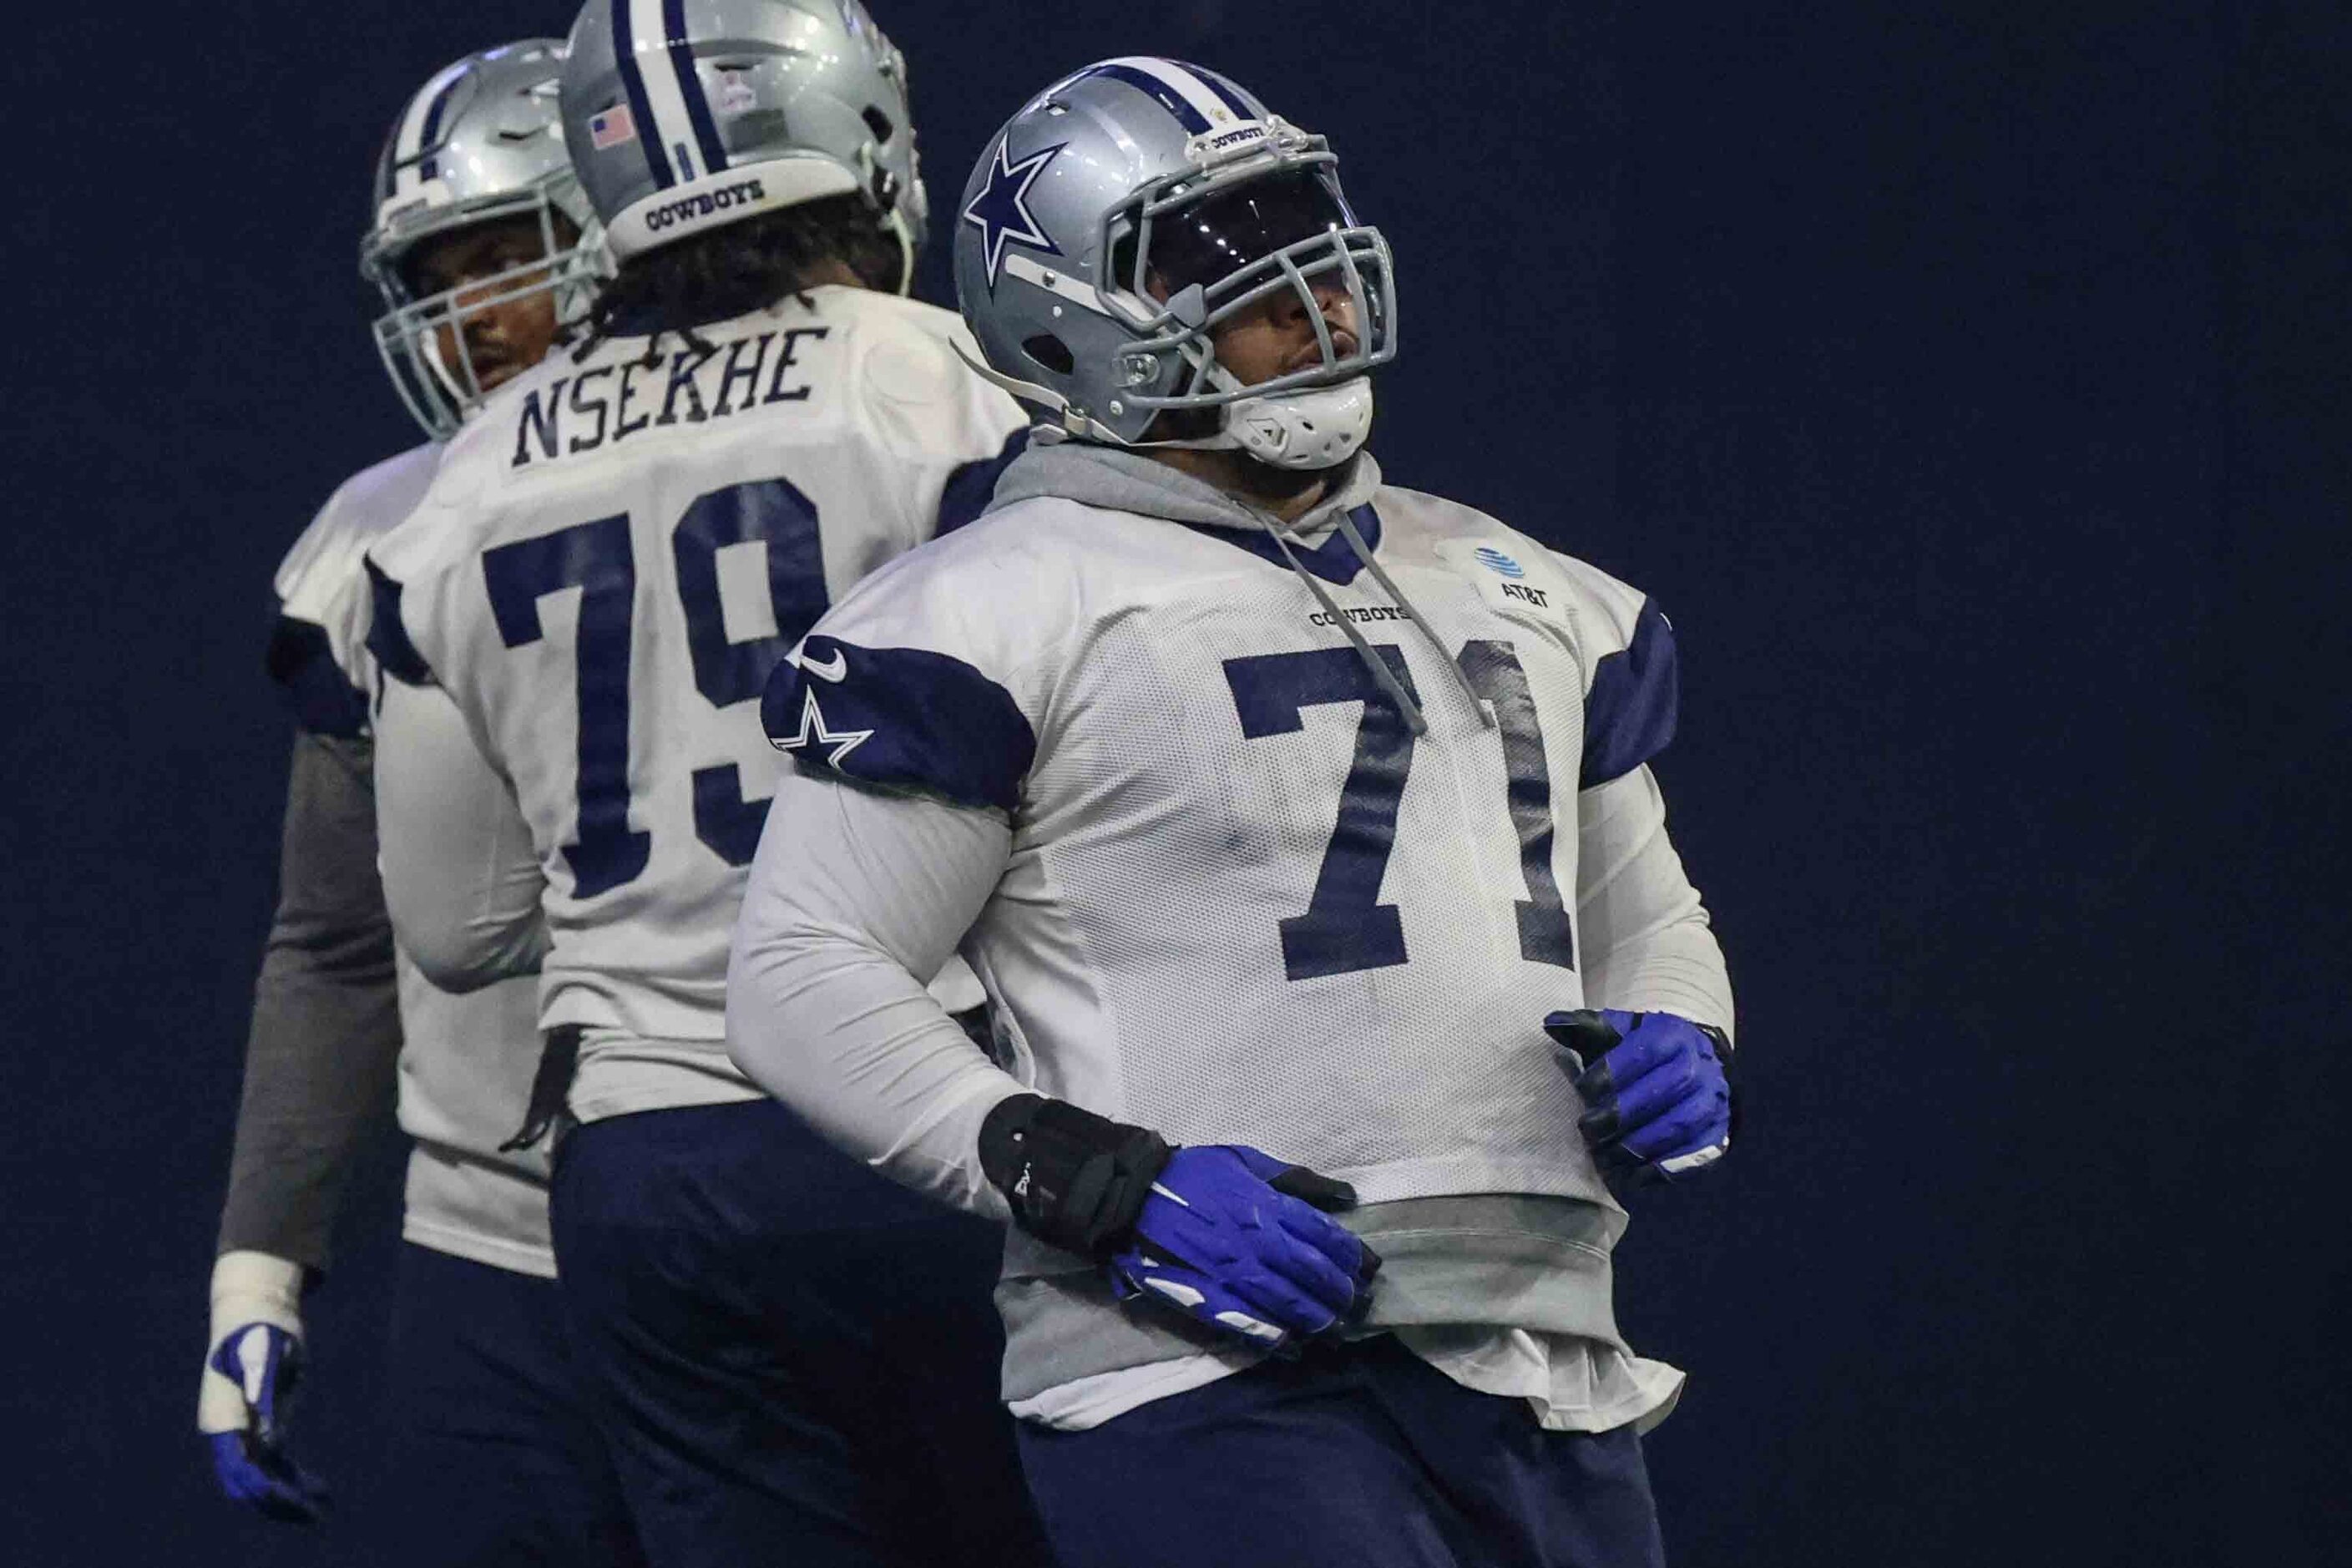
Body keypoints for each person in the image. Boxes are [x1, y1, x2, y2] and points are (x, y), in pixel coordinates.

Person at [728, 57, 1739, 1567]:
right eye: (1219, 258)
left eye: (1306, 240)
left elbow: (1647, 909)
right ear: (1063, 313)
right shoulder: (995, 604)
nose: (1311, 296)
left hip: (1545, 1352)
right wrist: (1097, 1182)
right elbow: (798, 979)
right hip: (1199, 1361)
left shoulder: (1525, 581)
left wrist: (1683, 1031)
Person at [363, 3, 1042, 1563]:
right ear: (862, 130)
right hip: (943, 1105)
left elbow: (454, 929)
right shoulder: (949, 390)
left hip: (650, 1166)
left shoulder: (467, 480)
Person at [199, 39, 645, 1565]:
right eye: (441, 276)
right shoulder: (371, 538)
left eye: (510, 257)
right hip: (493, 1251)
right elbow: (333, 943)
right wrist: (257, 1272)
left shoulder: (809, 465)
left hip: (803, 1185)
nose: (479, 319)